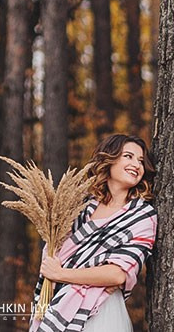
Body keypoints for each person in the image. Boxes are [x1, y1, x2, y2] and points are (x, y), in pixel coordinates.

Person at [31, 134, 158, 332]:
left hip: (102, 311)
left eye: (141, 161)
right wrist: (52, 269)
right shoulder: (80, 207)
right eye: (128, 156)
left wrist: (61, 274)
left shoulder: (142, 216)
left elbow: (117, 274)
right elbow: (54, 252)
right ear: (109, 159)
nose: (137, 164)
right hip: (60, 302)